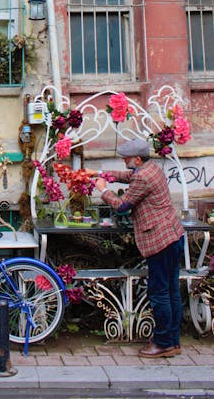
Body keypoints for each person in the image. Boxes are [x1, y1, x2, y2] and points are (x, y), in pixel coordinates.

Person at [90, 137, 184, 358]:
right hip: (173, 235)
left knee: (159, 293)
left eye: (127, 159)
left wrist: (103, 190)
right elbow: (129, 176)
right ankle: (173, 340)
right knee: (172, 291)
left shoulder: (142, 177)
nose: (124, 162)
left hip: (160, 240)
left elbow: (123, 206)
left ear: (138, 159)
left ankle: (162, 344)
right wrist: (103, 174)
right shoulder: (152, 168)